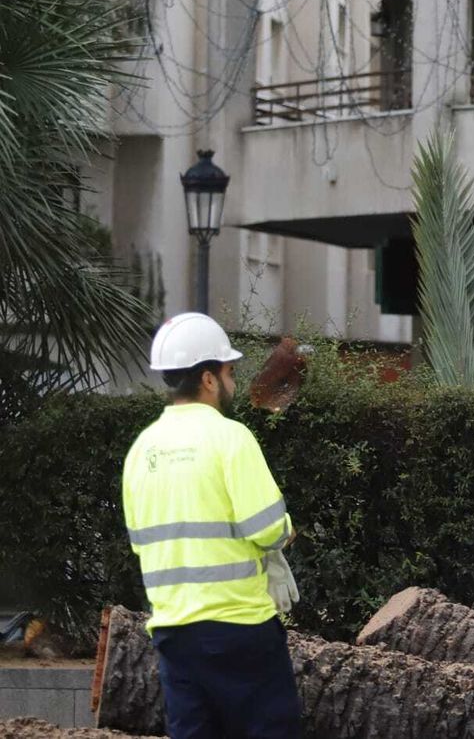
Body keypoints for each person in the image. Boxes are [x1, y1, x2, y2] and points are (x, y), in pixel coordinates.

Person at [122, 313, 302, 739]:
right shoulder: (231, 438)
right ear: (207, 378)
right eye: (230, 372)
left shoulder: (141, 448)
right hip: (241, 629)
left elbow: (140, 541)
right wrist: (286, 528)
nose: (234, 384)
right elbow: (269, 530)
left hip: (173, 633)